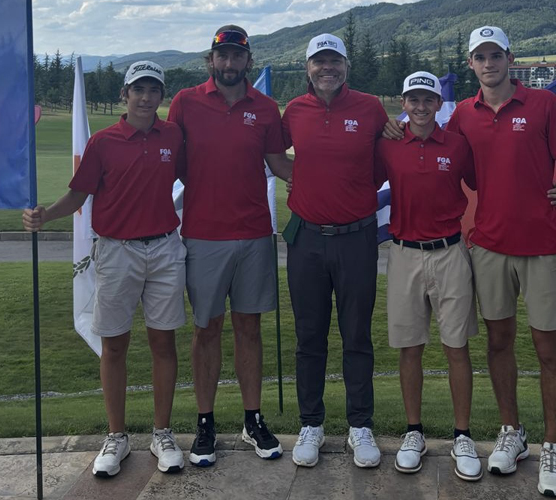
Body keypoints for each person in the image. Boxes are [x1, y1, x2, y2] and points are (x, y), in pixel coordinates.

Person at [384, 25, 556, 497]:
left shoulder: (543, 106)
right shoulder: (461, 120)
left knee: (548, 348)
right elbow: (433, 145)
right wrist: (388, 125)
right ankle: (511, 432)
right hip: (489, 246)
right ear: (472, 64)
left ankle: (552, 447)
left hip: (542, 243)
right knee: (498, 342)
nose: (489, 63)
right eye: (481, 56)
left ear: (509, 58)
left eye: (496, 55)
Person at [22, 61, 187, 477]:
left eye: (153, 90)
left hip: (165, 249)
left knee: (163, 344)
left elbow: (198, 178)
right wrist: (47, 214)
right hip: (117, 252)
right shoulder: (103, 142)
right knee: (114, 346)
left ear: (161, 95)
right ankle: (116, 437)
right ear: (124, 95)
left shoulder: (172, 135)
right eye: (138, 90)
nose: (146, 97)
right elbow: (78, 195)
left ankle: (161, 432)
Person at [166, 25, 292, 467]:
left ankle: (252, 418)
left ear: (248, 61)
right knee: (206, 330)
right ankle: (205, 422)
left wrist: (335, 170)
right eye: (223, 56)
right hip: (203, 235)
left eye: (238, 56)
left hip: (255, 233)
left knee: (249, 328)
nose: (230, 63)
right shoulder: (185, 102)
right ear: (211, 60)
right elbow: (171, 160)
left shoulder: (265, 107)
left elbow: (278, 162)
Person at [281, 33, 388, 469]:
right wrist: (300, 177)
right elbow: (273, 154)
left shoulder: (370, 108)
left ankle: (359, 426)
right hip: (305, 238)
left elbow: (383, 164)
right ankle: (312, 423)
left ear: (346, 66)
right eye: (319, 62)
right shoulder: (294, 110)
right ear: (308, 67)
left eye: (335, 61)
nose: (328, 68)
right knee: (310, 338)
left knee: (357, 335)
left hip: (357, 238)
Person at [375, 71, 483, 479]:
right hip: (404, 254)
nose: (420, 107)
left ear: (439, 105)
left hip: (450, 252)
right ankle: (414, 432)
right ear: (403, 103)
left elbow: (489, 179)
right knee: (410, 347)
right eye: (413, 100)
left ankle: (462, 435)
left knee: (456, 346)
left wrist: (551, 190)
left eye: (428, 100)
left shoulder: (456, 145)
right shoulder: (387, 143)